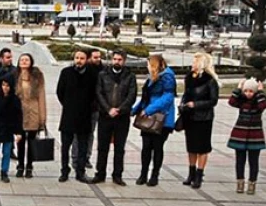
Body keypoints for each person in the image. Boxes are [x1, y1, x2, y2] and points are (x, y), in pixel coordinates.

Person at [92, 49, 137, 185]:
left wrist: (120, 109)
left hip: (121, 117)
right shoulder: (103, 74)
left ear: (124, 61)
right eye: (115, 59)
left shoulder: (130, 76)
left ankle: (117, 175)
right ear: (112, 59)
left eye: (120, 60)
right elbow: (99, 93)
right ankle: (100, 173)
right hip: (105, 116)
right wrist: (108, 109)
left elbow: (132, 95)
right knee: (102, 147)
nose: (117, 62)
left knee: (119, 148)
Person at [131, 54, 177, 187]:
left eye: (148, 64)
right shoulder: (152, 77)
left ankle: (154, 175)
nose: (147, 67)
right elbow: (146, 96)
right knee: (146, 147)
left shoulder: (167, 76)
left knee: (157, 147)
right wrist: (134, 110)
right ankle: (143, 174)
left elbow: (168, 97)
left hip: (162, 118)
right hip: (148, 117)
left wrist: (148, 110)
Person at [55, 50, 96, 182]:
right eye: (77, 58)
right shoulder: (66, 73)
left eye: (82, 58)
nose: (79, 61)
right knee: (65, 146)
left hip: (84, 115)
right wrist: (68, 104)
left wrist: (88, 107)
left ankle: (80, 172)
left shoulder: (92, 74)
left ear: (86, 60)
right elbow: (60, 91)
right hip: (68, 115)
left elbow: (95, 94)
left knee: (83, 146)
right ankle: (64, 171)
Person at [180, 52, 220, 189]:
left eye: (195, 62)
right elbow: (186, 94)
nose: (192, 64)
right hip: (190, 116)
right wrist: (183, 104)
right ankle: (191, 173)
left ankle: (199, 174)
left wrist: (196, 105)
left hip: (204, 118)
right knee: (191, 146)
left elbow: (213, 101)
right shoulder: (189, 78)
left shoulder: (210, 80)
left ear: (201, 64)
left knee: (202, 147)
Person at [228, 78, 266, 195]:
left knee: (253, 161)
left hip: (255, 135)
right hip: (240, 134)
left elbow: (263, 105)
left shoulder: (259, 101)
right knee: (240, 161)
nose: (248, 94)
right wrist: (238, 88)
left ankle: (252, 183)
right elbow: (231, 101)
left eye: (251, 91)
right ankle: (240, 183)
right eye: (246, 91)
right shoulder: (241, 101)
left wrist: (261, 92)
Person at [13, 53, 46, 179]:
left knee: (32, 142)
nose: (24, 61)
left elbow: (41, 97)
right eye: (22, 59)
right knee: (20, 141)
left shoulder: (37, 76)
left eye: (27, 59)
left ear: (31, 61)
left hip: (33, 111)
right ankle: (20, 165)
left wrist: (42, 118)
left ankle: (29, 166)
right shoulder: (15, 75)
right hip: (19, 112)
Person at [0, 77, 22, 183]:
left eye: (7, 85)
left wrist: (18, 132)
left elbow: (18, 116)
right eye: (3, 85)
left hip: (8, 129)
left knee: (7, 152)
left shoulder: (15, 99)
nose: (5, 88)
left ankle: (4, 172)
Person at [75, 49, 105, 168]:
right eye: (95, 57)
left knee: (90, 133)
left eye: (99, 57)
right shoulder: (83, 70)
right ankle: (76, 157)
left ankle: (86, 157)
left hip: (94, 109)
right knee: (77, 134)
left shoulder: (103, 71)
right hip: (80, 108)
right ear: (89, 58)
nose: (98, 59)